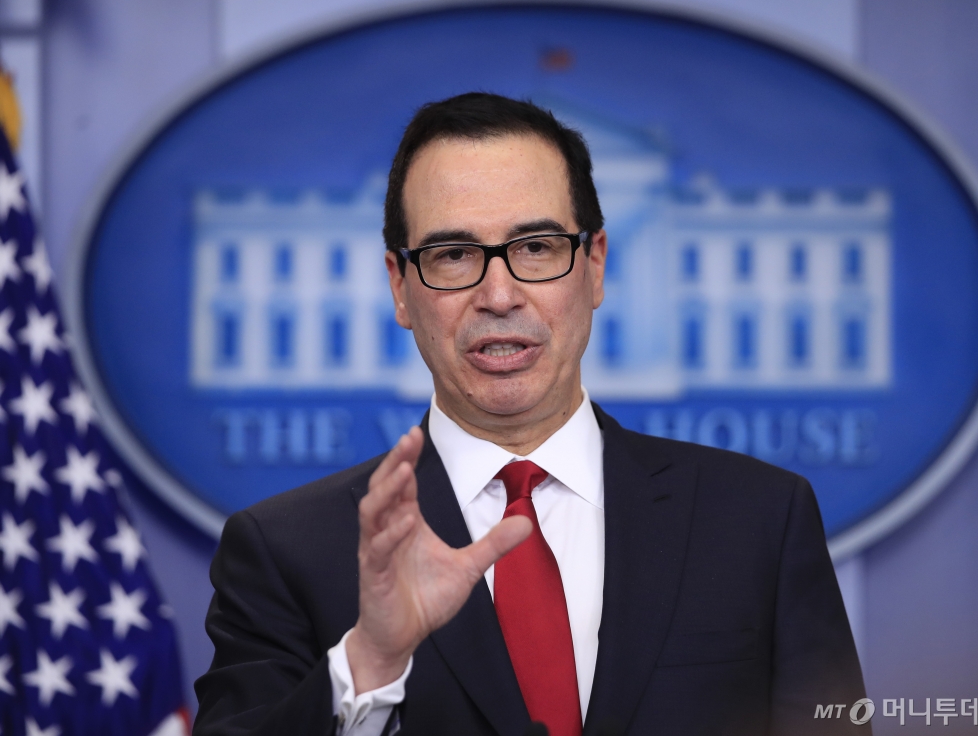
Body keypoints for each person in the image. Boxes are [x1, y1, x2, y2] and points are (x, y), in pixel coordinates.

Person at [194, 93, 867, 736]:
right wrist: (371, 660)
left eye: (536, 246)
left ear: (594, 265)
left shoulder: (760, 520)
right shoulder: (286, 550)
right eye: (453, 254)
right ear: (400, 288)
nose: (499, 293)